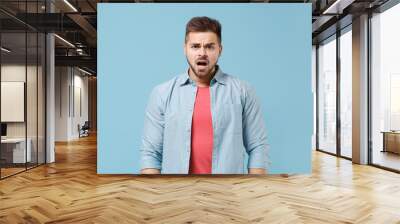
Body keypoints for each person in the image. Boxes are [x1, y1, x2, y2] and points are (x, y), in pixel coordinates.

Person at [140, 16, 268, 174]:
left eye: (209, 47)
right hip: (177, 192)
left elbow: (258, 148)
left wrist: (252, 192)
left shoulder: (243, 91)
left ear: (220, 49)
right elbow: (151, 153)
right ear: (185, 48)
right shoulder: (162, 93)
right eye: (195, 46)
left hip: (228, 193)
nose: (202, 53)